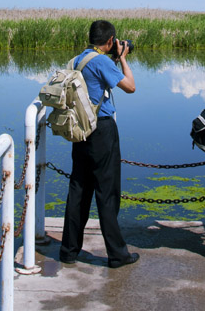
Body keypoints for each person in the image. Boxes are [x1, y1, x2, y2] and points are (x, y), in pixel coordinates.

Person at [59, 19, 140, 269]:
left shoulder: (77, 60)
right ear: (110, 41)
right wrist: (124, 58)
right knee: (107, 193)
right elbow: (131, 87)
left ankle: (69, 250)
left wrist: (113, 58)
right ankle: (117, 254)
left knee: (78, 190)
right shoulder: (103, 61)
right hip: (102, 131)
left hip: (80, 131)